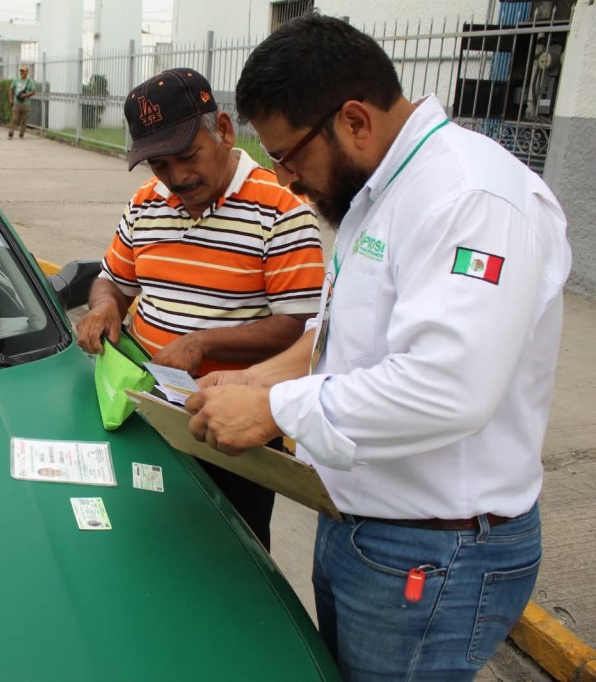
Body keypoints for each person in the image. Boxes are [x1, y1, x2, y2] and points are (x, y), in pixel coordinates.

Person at [185, 14, 572, 681]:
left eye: (290, 156)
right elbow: (344, 332)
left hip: (436, 550)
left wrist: (277, 410)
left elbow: (447, 387)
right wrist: (258, 380)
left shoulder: (469, 198)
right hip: (369, 525)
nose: (287, 180)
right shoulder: (382, 190)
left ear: (355, 121)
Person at [76, 67, 325, 551]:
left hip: (234, 423)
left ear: (225, 131)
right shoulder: (146, 204)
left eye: (187, 157)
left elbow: (299, 328)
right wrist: (105, 307)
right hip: (148, 404)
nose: (177, 178)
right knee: (150, 539)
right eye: (159, 167)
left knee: (234, 552)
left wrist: (204, 342)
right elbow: (113, 280)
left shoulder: (282, 211)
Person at [7, 66, 35, 139]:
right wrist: (10, 99)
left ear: (27, 72)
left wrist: (25, 95)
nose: (22, 73)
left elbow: (33, 92)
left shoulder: (30, 81)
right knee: (14, 119)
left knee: (24, 120)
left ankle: (21, 134)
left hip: (26, 104)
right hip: (16, 103)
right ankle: (11, 134)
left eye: (23, 71)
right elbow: (11, 88)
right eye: (21, 71)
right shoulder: (16, 80)